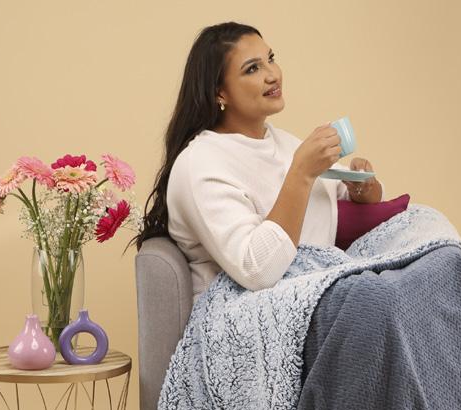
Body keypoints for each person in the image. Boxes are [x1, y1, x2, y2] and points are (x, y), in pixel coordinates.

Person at [130, 22, 386, 305]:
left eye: (271, 59)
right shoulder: (199, 164)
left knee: (423, 243)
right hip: (245, 308)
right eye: (253, 68)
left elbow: (350, 194)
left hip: (320, 286)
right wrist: (301, 173)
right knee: (384, 296)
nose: (273, 75)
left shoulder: (284, 143)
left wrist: (364, 186)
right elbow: (258, 271)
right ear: (220, 93)